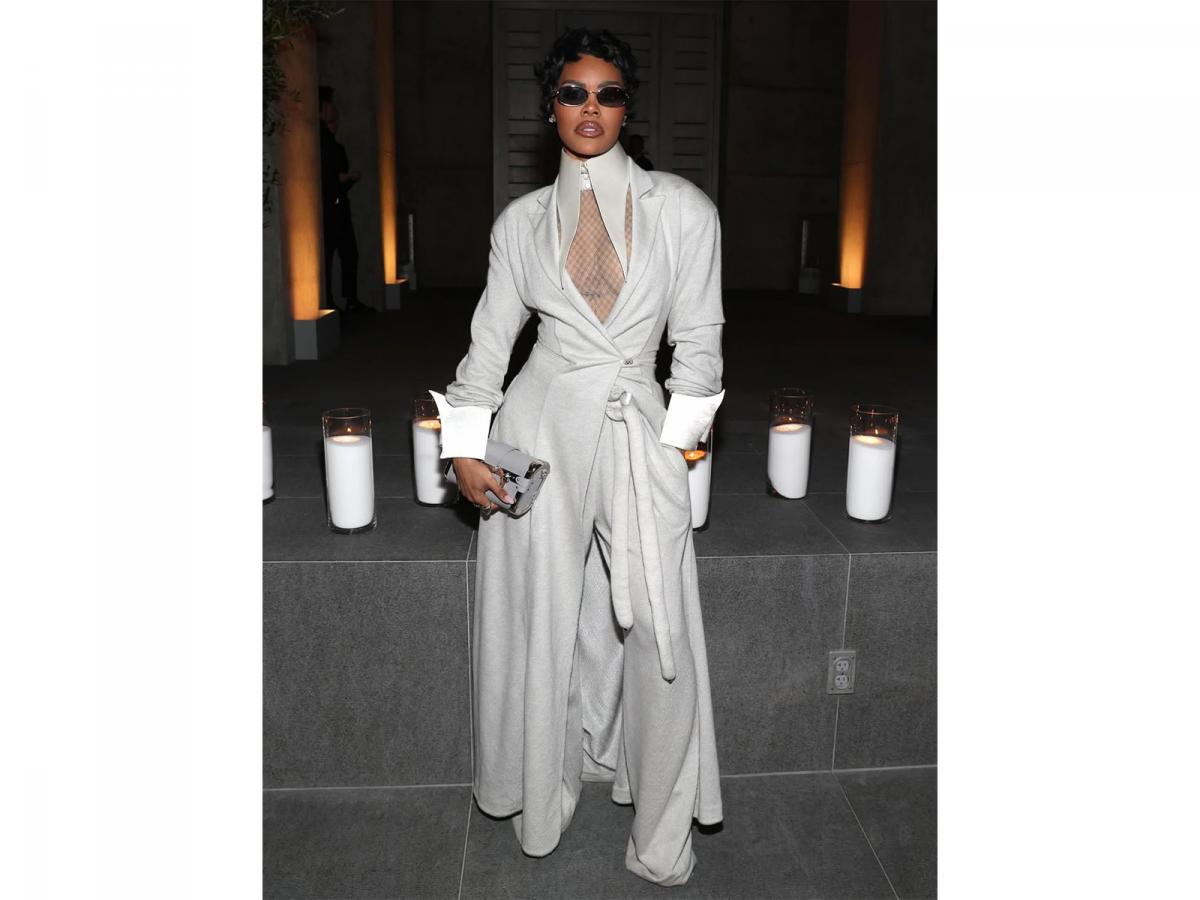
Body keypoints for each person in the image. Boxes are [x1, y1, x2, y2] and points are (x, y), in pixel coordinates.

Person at [430, 27, 725, 886]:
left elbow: (700, 345)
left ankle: (663, 833)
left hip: (639, 427)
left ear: (628, 109)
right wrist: (464, 448)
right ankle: (543, 792)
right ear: (549, 106)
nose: (589, 109)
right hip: (542, 428)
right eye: (572, 93)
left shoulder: (684, 209)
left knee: (661, 633)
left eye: (607, 94)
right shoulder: (520, 223)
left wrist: (678, 449)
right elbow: (489, 348)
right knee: (542, 621)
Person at [318, 86, 369, 314]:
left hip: (338, 205)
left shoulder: (334, 145)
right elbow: (326, 176)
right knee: (330, 255)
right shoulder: (320, 141)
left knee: (348, 253)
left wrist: (345, 179)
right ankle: (332, 301)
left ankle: (348, 299)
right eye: (329, 104)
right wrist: (342, 178)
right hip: (330, 207)